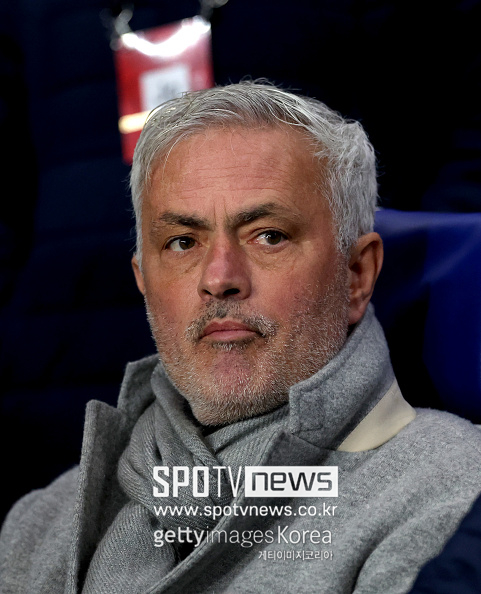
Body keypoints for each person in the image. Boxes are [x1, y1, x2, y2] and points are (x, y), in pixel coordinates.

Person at [1, 81, 481, 594]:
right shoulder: (37, 524)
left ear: (357, 274)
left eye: (268, 236)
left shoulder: (454, 491)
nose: (219, 278)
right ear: (143, 279)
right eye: (182, 242)